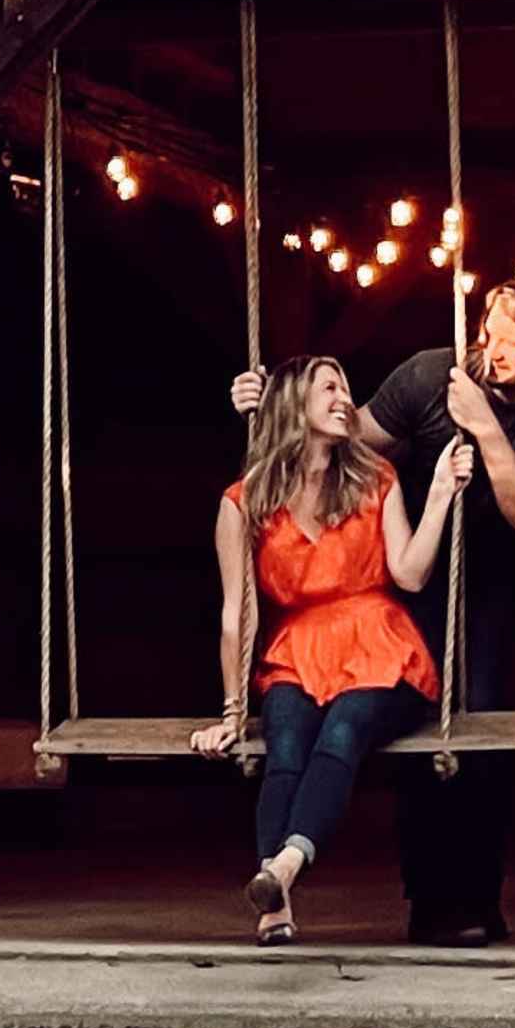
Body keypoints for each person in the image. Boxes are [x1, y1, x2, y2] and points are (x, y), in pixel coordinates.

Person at [233, 277, 515, 942]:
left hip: (490, 581)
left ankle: (476, 899)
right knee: (410, 737)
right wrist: (273, 406)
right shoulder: (433, 374)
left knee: (480, 730)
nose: (490, 350)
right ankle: (427, 899)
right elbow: (344, 443)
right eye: (486, 332)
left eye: (512, 343)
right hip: (410, 579)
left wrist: (485, 427)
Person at [190, 353, 472, 941]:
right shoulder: (244, 502)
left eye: (346, 384)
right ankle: (277, 908)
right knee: (286, 743)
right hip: (297, 649)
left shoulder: (375, 479)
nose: (345, 397)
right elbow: (234, 614)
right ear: (294, 404)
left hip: (379, 643)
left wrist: (442, 493)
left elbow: (412, 574)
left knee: (343, 732)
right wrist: (232, 713)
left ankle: (282, 868)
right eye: (329, 387)